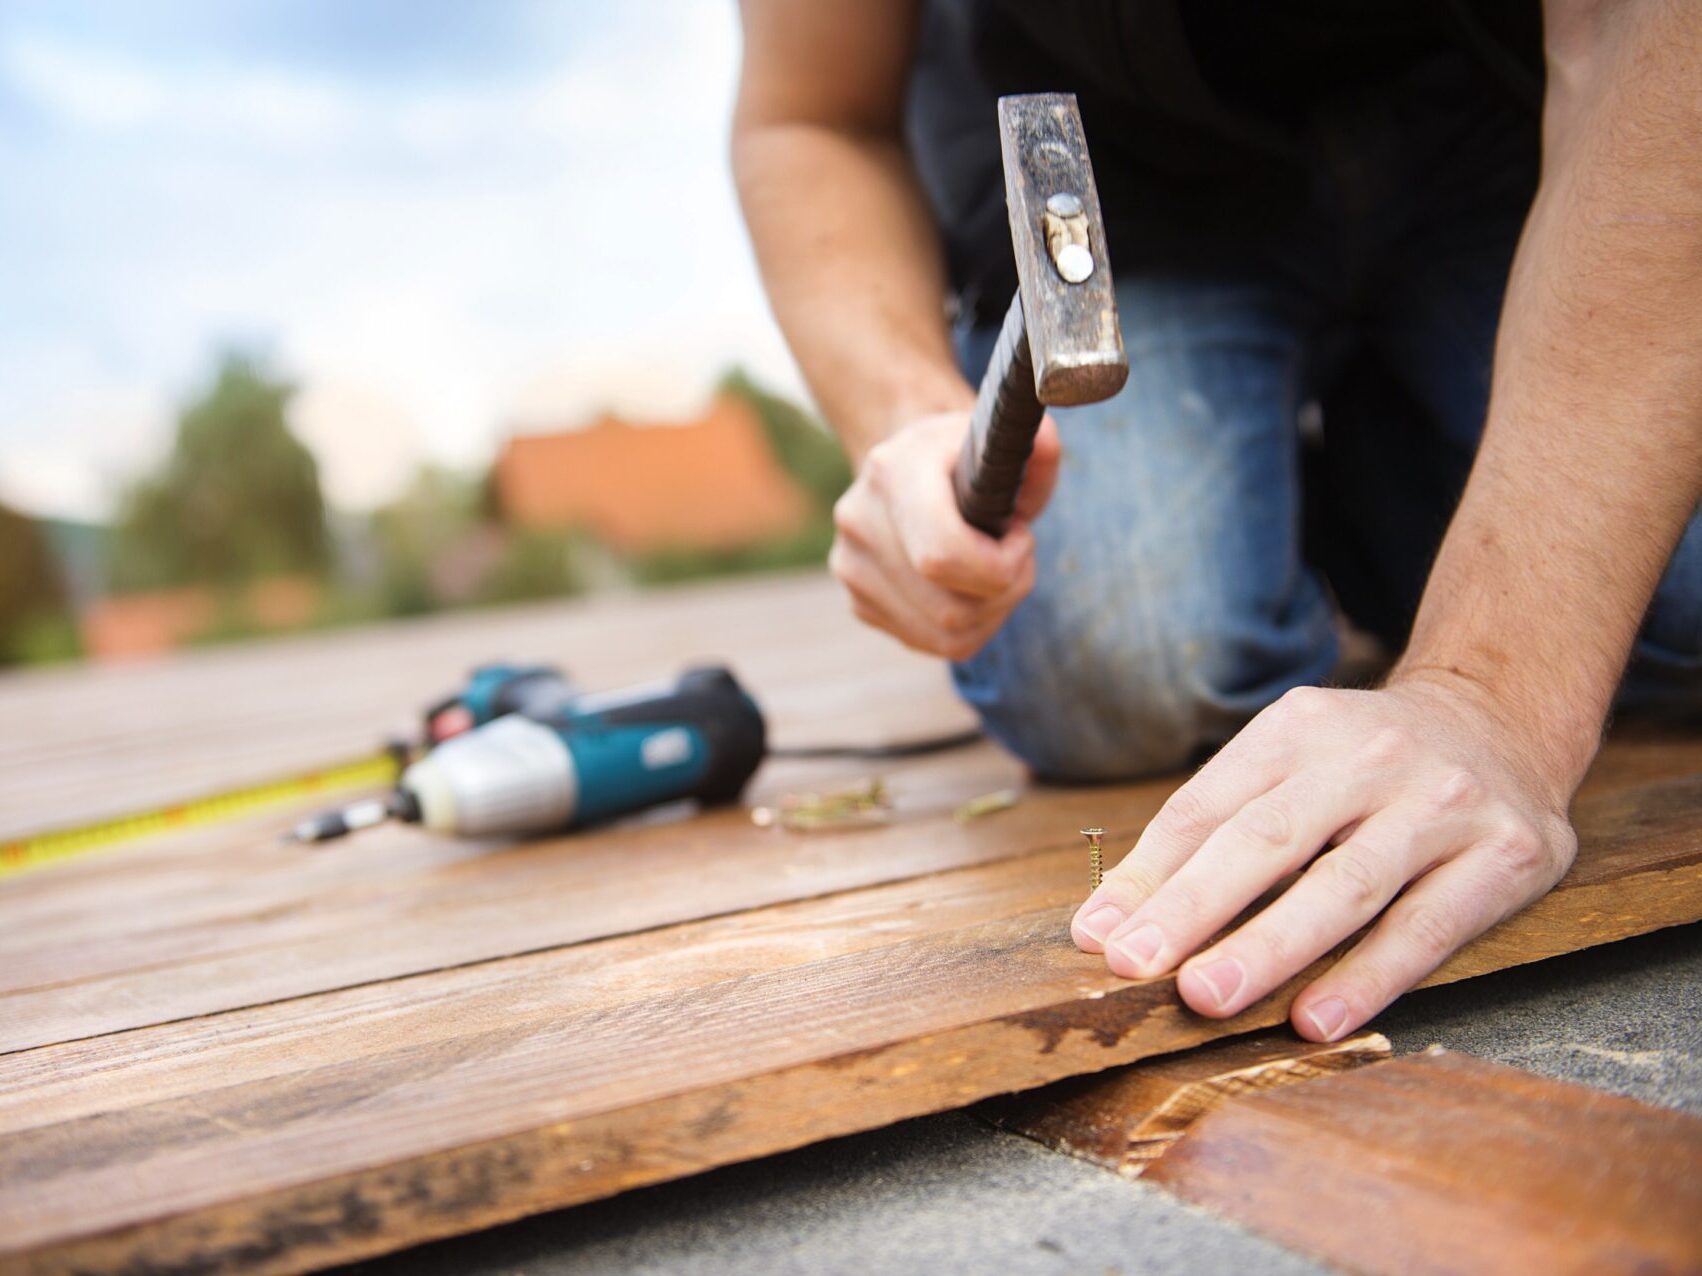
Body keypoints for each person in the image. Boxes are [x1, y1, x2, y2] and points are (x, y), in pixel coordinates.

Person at [731, 0, 1702, 1043]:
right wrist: (910, 416)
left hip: (1515, 129)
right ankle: (1345, 487)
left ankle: (1378, 471)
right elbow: (811, 117)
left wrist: (1495, 695)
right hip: (1139, 185)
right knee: (1126, 662)